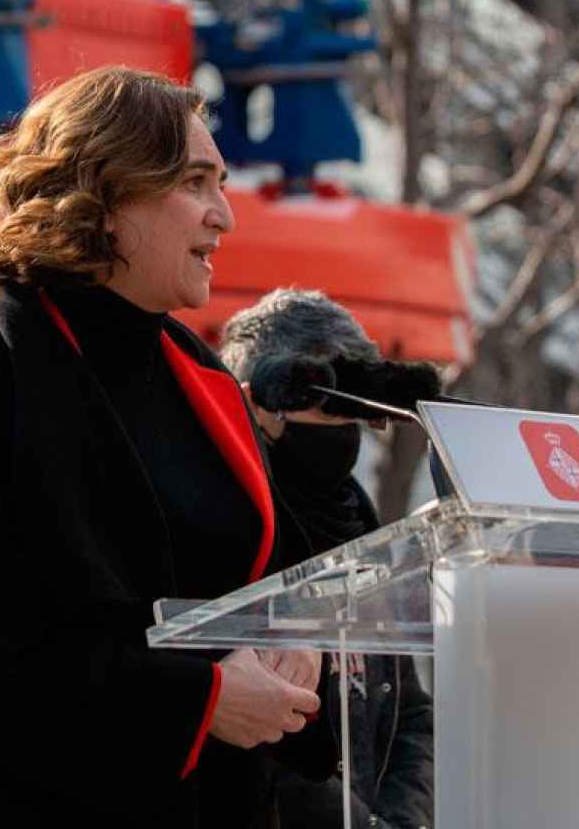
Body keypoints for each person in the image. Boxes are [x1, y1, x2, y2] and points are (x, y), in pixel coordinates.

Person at [0, 66, 329, 828]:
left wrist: (299, 646)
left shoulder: (202, 378)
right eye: (196, 182)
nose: (225, 215)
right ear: (107, 197)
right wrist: (198, 704)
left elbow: (283, 579)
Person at [220, 288, 437, 829]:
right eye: (322, 401)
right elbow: (257, 743)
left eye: (351, 409)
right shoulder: (224, 536)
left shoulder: (362, 530)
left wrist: (401, 821)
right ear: (256, 403)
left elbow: (411, 713)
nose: (343, 429)